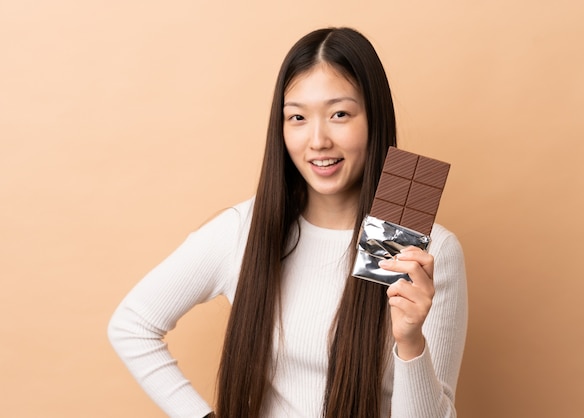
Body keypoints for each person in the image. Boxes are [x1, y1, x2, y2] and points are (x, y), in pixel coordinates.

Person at [108, 27, 468, 418]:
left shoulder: (422, 250)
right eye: (297, 117)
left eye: (339, 114)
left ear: (374, 118)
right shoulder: (246, 230)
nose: (317, 140)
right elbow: (132, 325)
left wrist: (410, 339)